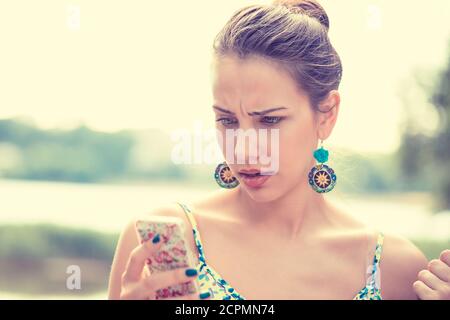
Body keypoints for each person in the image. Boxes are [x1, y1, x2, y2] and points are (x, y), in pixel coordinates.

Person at [108, 0, 450, 300]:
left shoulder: (398, 271)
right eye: (227, 121)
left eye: (269, 121)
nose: (244, 150)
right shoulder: (161, 243)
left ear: (327, 115)